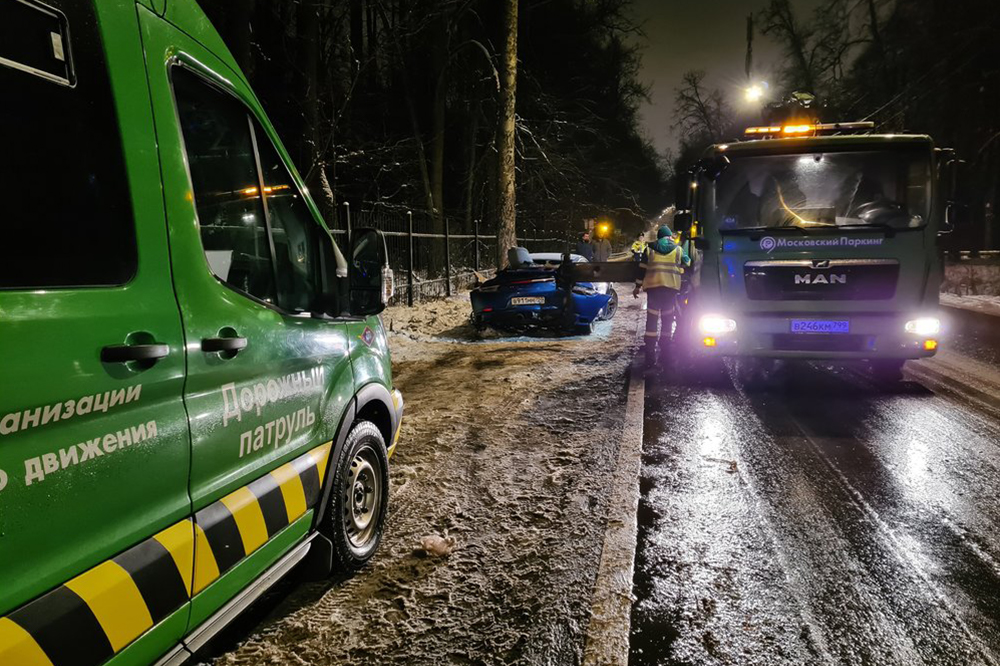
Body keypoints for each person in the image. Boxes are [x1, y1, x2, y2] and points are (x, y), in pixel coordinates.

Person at [633, 225, 691, 366]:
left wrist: (637, 286)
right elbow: (688, 262)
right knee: (667, 320)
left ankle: (650, 357)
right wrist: (680, 270)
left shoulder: (650, 249)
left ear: (659, 237)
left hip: (653, 289)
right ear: (669, 236)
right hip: (670, 290)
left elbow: (642, 269)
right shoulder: (678, 249)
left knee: (651, 322)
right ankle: (665, 355)